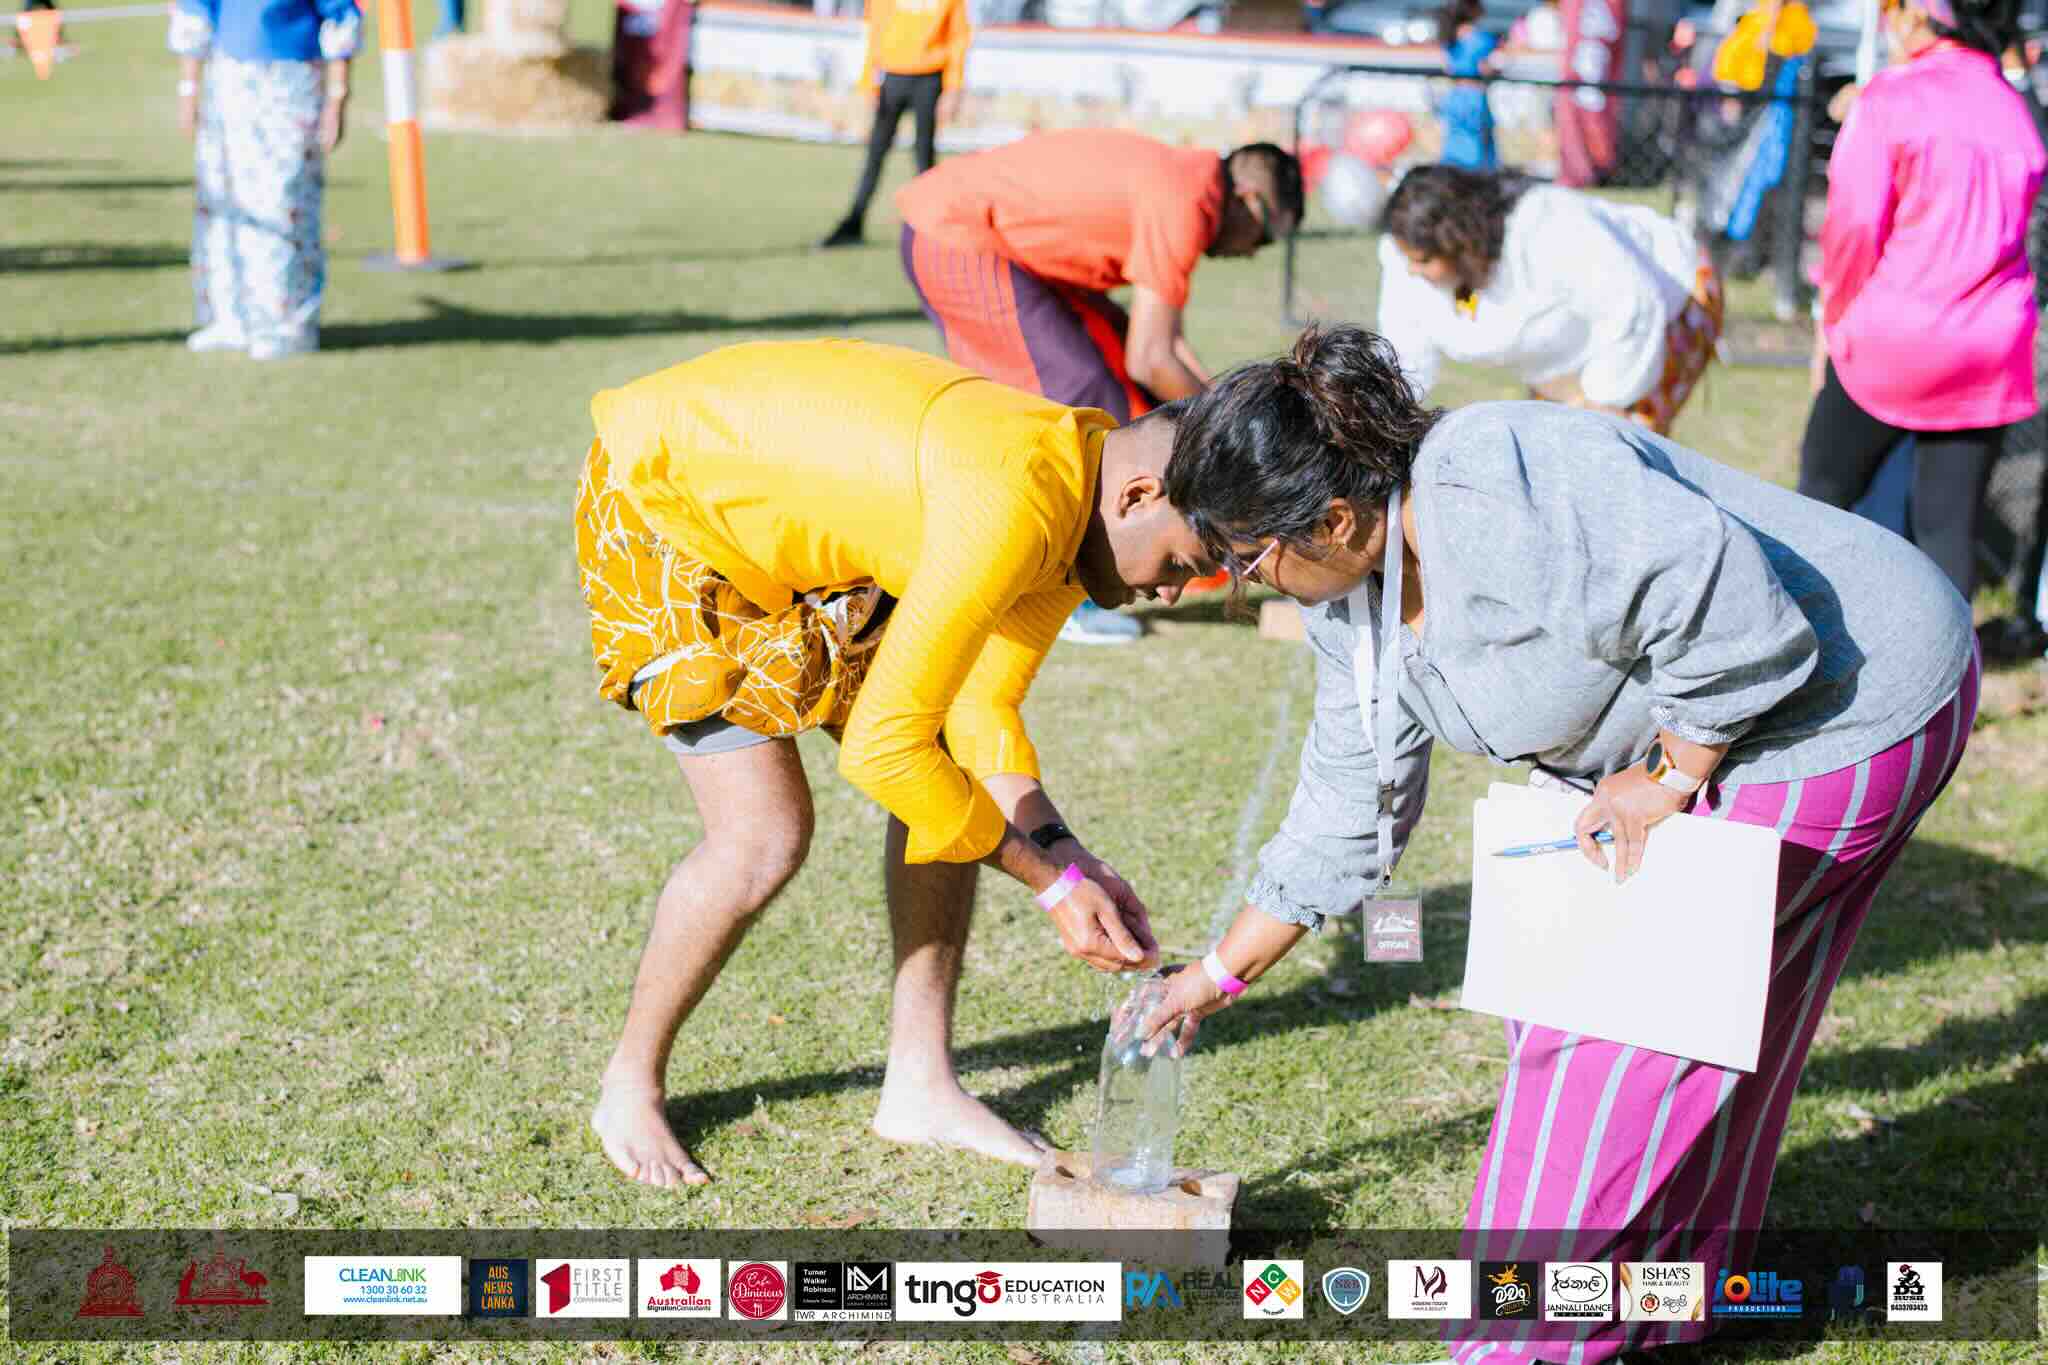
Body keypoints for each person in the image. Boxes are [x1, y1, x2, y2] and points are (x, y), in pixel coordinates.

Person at [1133, 324, 1978, 1365]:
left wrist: (1667, 775)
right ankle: (1657, 1305)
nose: (1237, 575)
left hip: (1852, 698)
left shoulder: (1495, 478)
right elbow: (1347, 803)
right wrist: (1212, 976)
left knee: (1597, 1035)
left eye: (1246, 555)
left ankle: (1516, 1343)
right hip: (1757, 723)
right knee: (1685, 1027)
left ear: (1334, 517)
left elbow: (1715, 604)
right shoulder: (1348, 604)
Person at [577, 337, 1238, 1189]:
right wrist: (1049, 884)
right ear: (1138, 494)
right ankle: (629, 1081)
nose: (1173, 590)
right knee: (765, 834)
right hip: (663, 500)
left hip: (773, 531)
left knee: (943, 762)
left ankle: (920, 1084)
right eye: (1181, 563)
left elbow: (980, 713)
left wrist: (1065, 853)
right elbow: (883, 752)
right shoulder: (1017, 502)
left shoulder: (1077, 497)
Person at [896, 129, 1302, 642]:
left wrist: (1225, 415)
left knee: (1115, 381)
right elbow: (1152, 356)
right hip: (956, 234)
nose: (1251, 252)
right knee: (1078, 402)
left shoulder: (1189, 185)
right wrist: (1229, 433)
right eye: (1262, 238)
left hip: (998, 246)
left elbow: (1163, 349)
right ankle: (1054, 590)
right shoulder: (1185, 199)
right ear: (1248, 199)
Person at [1795, 0, 2043, 603]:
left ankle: (1799, 645)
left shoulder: (1891, 97)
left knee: (1815, 503)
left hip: (1894, 340)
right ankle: (1952, 662)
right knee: (1947, 530)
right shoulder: (2013, 107)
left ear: (1917, 16)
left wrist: (1835, 323)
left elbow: (1854, 229)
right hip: (1988, 347)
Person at [1377, 164, 1722, 435]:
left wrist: (1605, 406)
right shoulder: (1406, 260)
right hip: (1572, 350)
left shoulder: (1548, 229)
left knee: (1614, 466)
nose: (1412, 271)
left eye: (1424, 261)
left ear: (1459, 242)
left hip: (1667, 309)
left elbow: (1633, 305)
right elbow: (1406, 355)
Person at [169, 0, 358, 359]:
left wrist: (338, 98)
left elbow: (340, 17)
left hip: (293, 81)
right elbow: (195, 12)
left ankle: (286, 325)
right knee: (224, 199)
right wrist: (188, 89)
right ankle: (231, 318)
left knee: (282, 200)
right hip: (229, 79)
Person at [819, 0, 970, 249]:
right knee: (875, 153)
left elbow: (958, 37)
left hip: (930, 78)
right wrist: (868, 83)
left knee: (924, 157)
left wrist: (954, 87)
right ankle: (854, 223)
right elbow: (875, 31)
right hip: (892, 77)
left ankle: (931, 230)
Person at [1437, 0, 1502, 171]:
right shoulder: (1481, 39)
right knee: (1478, 151)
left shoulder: (1449, 36)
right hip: (1475, 97)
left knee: (1455, 147)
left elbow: (1448, 68)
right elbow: (1484, 68)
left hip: (1456, 95)